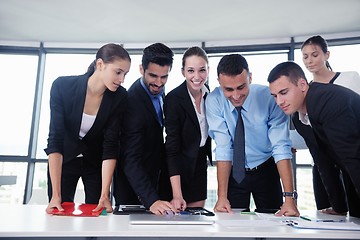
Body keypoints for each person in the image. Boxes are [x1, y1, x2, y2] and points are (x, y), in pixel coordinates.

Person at [205, 54, 299, 216]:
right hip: (234, 172)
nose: (235, 96)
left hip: (266, 169)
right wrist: (221, 197)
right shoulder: (214, 100)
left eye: (241, 87)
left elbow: (280, 146)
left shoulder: (270, 98)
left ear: (250, 78)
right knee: (231, 227)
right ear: (220, 84)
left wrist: (289, 198)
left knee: (275, 224)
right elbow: (223, 147)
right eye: (228, 89)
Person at [44, 43, 131, 214]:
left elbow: (111, 144)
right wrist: (55, 194)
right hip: (65, 160)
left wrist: (105, 193)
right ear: (100, 64)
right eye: (118, 72)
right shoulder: (62, 87)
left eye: (125, 74)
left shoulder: (120, 96)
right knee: (59, 212)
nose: (122, 80)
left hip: (96, 163)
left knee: (98, 213)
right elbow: (55, 139)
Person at [268, 61, 360, 218]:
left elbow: (353, 157)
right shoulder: (298, 118)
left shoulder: (329, 101)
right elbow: (322, 161)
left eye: (284, 92)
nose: (279, 102)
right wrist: (338, 207)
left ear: (302, 85)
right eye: (275, 96)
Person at [296, 35, 360, 215]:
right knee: (330, 213)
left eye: (314, 55)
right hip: (323, 162)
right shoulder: (305, 91)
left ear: (327, 55)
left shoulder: (349, 79)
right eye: (305, 56)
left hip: (350, 154)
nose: (309, 60)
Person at [113, 43, 176, 215]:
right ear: (142, 69)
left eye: (164, 77)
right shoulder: (131, 102)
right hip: (133, 190)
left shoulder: (159, 91)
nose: (158, 83)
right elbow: (130, 159)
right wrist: (151, 199)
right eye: (153, 76)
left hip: (153, 181)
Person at [163, 46, 212, 211]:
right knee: (175, 226)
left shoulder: (209, 95)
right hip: (177, 170)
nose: (197, 77)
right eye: (191, 70)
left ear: (208, 70)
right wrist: (177, 194)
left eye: (202, 70)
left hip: (199, 165)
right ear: (183, 72)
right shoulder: (173, 99)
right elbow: (172, 149)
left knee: (197, 221)